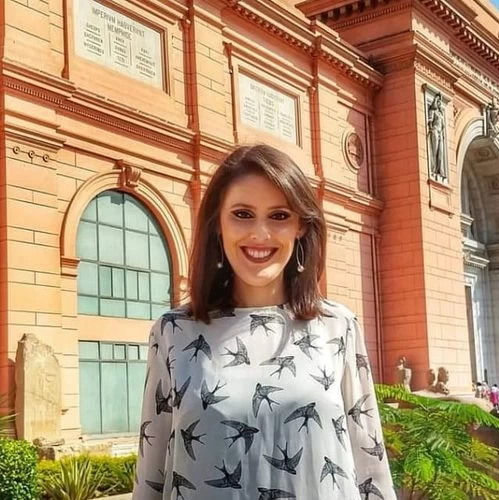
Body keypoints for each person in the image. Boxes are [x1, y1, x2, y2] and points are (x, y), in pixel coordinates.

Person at [133, 145, 395, 499]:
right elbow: (151, 475)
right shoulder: (174, 332)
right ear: (218, 225)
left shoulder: (338, 327)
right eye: (242, 214)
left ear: (300, 227)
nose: (260, 233)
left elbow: (371, 467)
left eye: (279, 215)